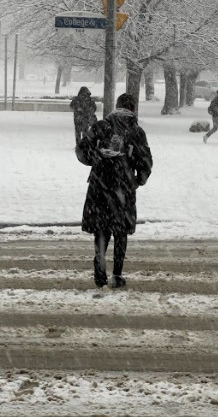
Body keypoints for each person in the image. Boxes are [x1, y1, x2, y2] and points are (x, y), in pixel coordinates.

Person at [76, 93, 153, 290]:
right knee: (120, 231)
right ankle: (117, 275)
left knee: (101, 228)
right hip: (123, 188)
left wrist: (96, 158)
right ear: (133, 109)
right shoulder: (136, 132)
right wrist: (138, 180)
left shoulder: (100, 127)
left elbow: (82, 149)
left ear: (116, 107)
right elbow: (145, 162)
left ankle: (100, 267)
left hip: (100, 186)